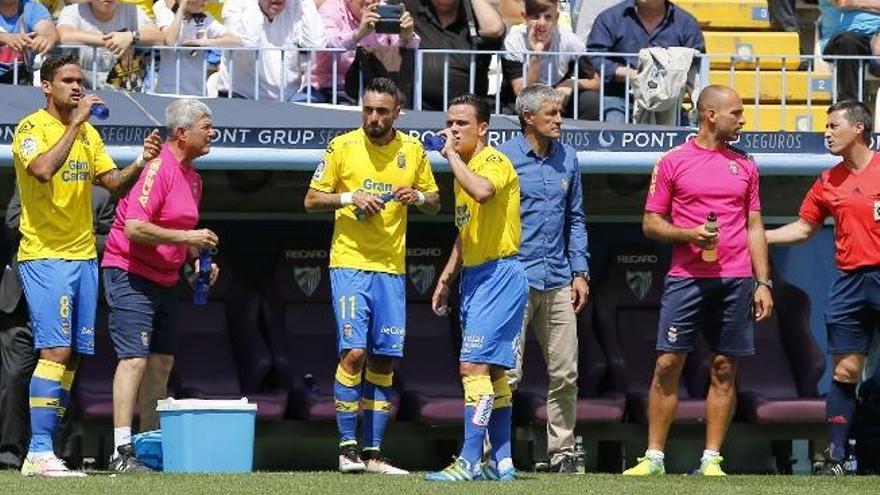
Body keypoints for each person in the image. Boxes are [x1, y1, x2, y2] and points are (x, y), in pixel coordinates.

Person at [11, 53, 162, 477]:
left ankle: (48, 450)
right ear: (46, 86)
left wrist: (141, 161)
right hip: (46, 254)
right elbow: (41, 170)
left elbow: (113, 184)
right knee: (55, 349)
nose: (77, 87)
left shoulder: (89, 135)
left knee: (74, 356)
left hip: (83, 257)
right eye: (68, 80)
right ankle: (38, 452)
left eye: (80, 80)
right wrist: (75, 123)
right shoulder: (31, 129)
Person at [623, 85, 773, 476]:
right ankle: (654, 457)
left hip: (737, 279)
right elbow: (650, 223)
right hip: (686, 279)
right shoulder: (673, 161)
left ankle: (711, 460)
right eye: (736, 113)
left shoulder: (746, 163)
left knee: (724, 368)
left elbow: (754, 226)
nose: (742, 120)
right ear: (710, 115)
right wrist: (690, 235)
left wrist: (763, 282)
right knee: (668, 363)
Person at [304, 77, 440, 474]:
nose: (374, 117)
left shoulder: (413, 150)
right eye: (368, 110)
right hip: (350, 263)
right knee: (355, 353)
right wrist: (349, 197)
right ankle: (346, 448)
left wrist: (418, 197)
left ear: (397, 113)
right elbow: (311, 199)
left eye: (382, 111)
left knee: (383, 361)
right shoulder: (342, 146)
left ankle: (374, 453)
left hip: (392, 269)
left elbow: (434, 202)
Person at [101, 98, 220, 472]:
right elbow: (135, 227)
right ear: (182, 133)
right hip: (130, 273)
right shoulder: (157, 169)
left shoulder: (194, 178)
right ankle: (121, 451)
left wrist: (197, 262)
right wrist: (189, 238)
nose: (212, 132)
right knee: (133, 359)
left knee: (162, 362)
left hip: (166, 279)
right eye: (206, 125)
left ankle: (149, 447)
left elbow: (179, 236)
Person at [766, 100, 880, 475]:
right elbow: (803, 228)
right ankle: (835, 458)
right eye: (825, 126)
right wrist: (759, 236)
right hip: (849, 284)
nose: (826, 132)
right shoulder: (827, 181)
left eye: (833, 125)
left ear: (858, 128)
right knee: (845, 374)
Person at [428, 94, 528, 482]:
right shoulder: (463, 171)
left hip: (499, 274)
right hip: (474, 276)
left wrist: (449, 156)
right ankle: (502, 462)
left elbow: (483, 192)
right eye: (449, 123)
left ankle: (469, 460)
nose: (452, 130)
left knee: (472, 365)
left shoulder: (493, 161)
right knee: (496, 372)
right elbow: (464, 231)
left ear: (482, 128)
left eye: (461, 124)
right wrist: (447, 277)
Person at [497, 83, 589, 473]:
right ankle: (495, 451)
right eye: (551, 114)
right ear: (527, 117)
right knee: (508, 373)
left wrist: (580, 271)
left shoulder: (568, 158)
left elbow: (576, 219)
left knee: (566, 371)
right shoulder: (501, 159)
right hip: (515, 277)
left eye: (559, 112)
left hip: (558, 279)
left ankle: (562, 453)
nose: (559, 120)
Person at [0, 185, 114, 472]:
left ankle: (51, 451)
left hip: (68, 302)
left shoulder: (99, 195)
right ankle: (10, 454)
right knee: (14, 378)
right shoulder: (29, 181)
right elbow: (13, 224)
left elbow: (111, 240)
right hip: (21, 303)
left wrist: (75, 234)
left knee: (63, 376)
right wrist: (60, 225)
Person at [586, 0, 704, 123]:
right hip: (620, 98)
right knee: (614, 127)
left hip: (668, 104)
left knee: (689, 132)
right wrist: (632, 75)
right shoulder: (609, 18)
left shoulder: (687, 23)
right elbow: (595, 58)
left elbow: (696, 66)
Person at [501, 0, 600, 120]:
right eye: (535, 17)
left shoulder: (570, 41)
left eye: (548, 17)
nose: (541, 23)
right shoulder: (514, 42)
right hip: (521, 105)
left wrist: (570, 84)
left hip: (559, 101)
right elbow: (523, 95)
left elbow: (597, 82)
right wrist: (536, 54)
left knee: (591, 100)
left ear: (557, 18)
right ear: (524, 17)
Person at [401, 0, 505, 111]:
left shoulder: (473, 12)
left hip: (467, 113)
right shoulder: (411, 7)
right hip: (417, 109)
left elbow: (494, 29)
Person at [309, 0, 419, 103]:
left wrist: (407, 37)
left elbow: (403, 49)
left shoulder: (384, 9)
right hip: (328, 89)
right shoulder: (331, 8)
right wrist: (358, 34)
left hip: (375, 93)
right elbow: (325, 43)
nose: (369, 1)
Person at [219, 0, 327, 100]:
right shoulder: (235, 5)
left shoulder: (296, 5)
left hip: (287, 102)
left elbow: (316, 43)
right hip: (240, 98)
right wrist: (258, 5)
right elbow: (248, 42)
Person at [56, 0, 163, 90]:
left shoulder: (132, 10)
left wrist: (131, 37)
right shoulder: (73, 10)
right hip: (81, 89)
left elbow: (158, 36)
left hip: (122, 90)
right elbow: (64, 34)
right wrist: (113, 41)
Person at [153, 0, 239, 96]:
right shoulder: (165, 12)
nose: (205, 3)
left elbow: (234, 39)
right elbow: (170, 40)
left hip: (198, 92)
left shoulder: (205, 18)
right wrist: (181, 9)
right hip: (169, 90)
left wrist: (204, 43)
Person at [819, 0, 880, 103]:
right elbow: (844, 2)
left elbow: (852, 3)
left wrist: (857, 3)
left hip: (876, 36)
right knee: (848, 41)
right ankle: (850, 106)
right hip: (844, 37)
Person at [0, 0, 58, 85]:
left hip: (21, 82)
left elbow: (49, 30)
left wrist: (42, 39)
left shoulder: (33, 8)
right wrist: (6, 38)